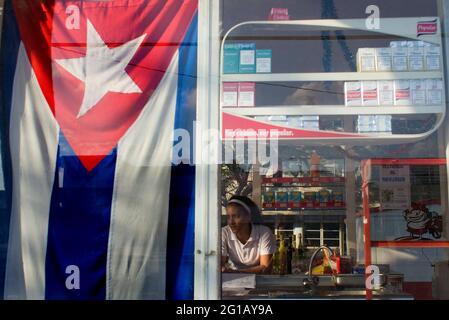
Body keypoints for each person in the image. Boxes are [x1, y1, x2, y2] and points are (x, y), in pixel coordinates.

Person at [221, 195, 276, 274]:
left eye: (236, 216)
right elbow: (219, 265)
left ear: (248, 217)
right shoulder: (224, 232)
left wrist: (235, 272)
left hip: (259, 281)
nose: (231, 222)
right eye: (228, 217)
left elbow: (265, 267)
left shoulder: (264, 232)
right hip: (232, 281)